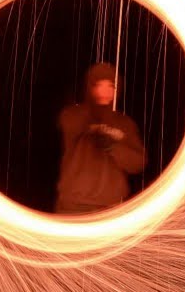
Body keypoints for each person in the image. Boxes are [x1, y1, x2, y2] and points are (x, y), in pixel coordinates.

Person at [54, 62, 147, 214]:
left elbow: (138, 163)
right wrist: (98, 127)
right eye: (99, 85)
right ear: (90, 87)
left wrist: (114, 147)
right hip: (72, 207)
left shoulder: (125, 124)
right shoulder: (74, 115)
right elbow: (69, 124)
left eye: (110, 86)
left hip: (110, 208)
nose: (105, 91)